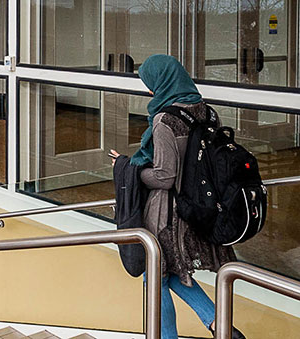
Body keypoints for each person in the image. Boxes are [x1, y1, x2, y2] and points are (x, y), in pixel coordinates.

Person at [109, 55, 242, 339]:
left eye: (150, 84)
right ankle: (221, 326)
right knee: (173, 273)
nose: (149, 91)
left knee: (154, 276)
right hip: (199, 209)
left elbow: (164, 176)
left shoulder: (164, 120)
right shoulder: (208, 113)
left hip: (167, 216)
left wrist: (128, 168)